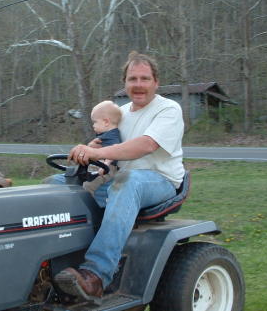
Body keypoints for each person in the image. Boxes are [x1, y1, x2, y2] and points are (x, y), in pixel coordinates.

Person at [54, 51, 185, 300]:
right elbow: (109, 148)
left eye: (144, 78)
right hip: (118, 178)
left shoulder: (168, 109)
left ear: (156, 82)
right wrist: (92, 150)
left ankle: (96, 275)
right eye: (132, 78)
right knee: (59, 184)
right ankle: (56, 260)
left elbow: (145, 146)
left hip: (159, 180)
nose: (138, 84)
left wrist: (98, 152)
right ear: (125, 83)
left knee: (128, 182)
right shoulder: (120, 114)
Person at [82, 100, 122, 196]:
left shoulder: (112, 135)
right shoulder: (105, 134)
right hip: (99, 165)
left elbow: (115, 149)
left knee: (88, 186)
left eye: (95, 122)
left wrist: (106, 164)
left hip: (108, 169)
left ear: (106, 122)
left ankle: (87, 206)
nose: (93, 125)